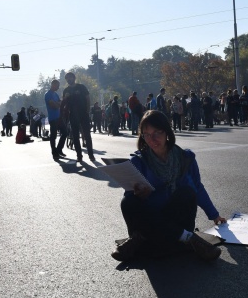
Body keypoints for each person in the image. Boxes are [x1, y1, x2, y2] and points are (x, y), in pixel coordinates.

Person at [111, 110, 227, 262]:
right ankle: (187, 238)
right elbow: (131, 198)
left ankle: (140, 239)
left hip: (176, 216)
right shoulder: (138, 161)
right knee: (128, 201)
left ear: (167, 131)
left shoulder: (185, 158)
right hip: (151, 215)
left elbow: (198, 188)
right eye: (146, 134)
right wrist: (139, 194)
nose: (151, 139)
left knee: (187, 192)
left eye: (156, 132)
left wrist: (214, 215)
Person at [62, 72, 95, 162]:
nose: (69, 80)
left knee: (87, 135)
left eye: (70, 78)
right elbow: (63, 103)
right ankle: (79, 155)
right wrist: (65, 98)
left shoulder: (81, 87)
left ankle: (91, 155)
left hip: (83, 114)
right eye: (67, 79)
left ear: (74, 78)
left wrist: (88, 110)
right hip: (72, 115)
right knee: (75, 136)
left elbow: (88, 98)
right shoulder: (66, 90)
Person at [45, 79, 67, 161]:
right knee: (53, 136)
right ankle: (54, 153)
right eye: (57, 86)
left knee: (65, 132)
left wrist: (58, 103)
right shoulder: (48, 94)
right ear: (53, 85)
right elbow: (53, 106)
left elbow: (59, 104)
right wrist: (58, 104)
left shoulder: (56, 94)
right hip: (53, 118)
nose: (58, 87)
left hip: (59, 117)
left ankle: (59, 150)